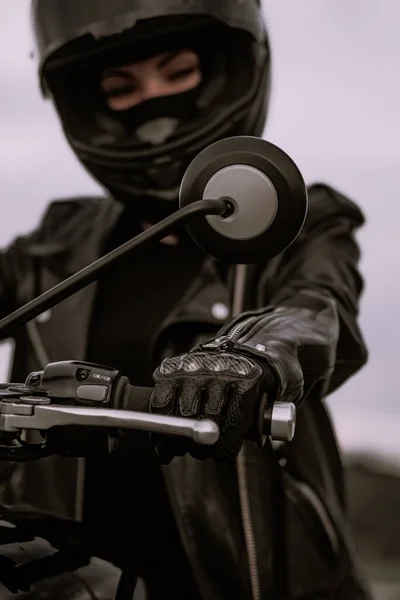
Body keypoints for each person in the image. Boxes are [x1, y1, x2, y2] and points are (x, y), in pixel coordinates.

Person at [0, 1, 373, 599]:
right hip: (59, 575)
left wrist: (252, 356)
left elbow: (319, 308)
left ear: (227, 67)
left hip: (249, 582)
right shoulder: (50, 247)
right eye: (122, 88)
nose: (154, 102)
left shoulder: (301, 221)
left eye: (178, 73)